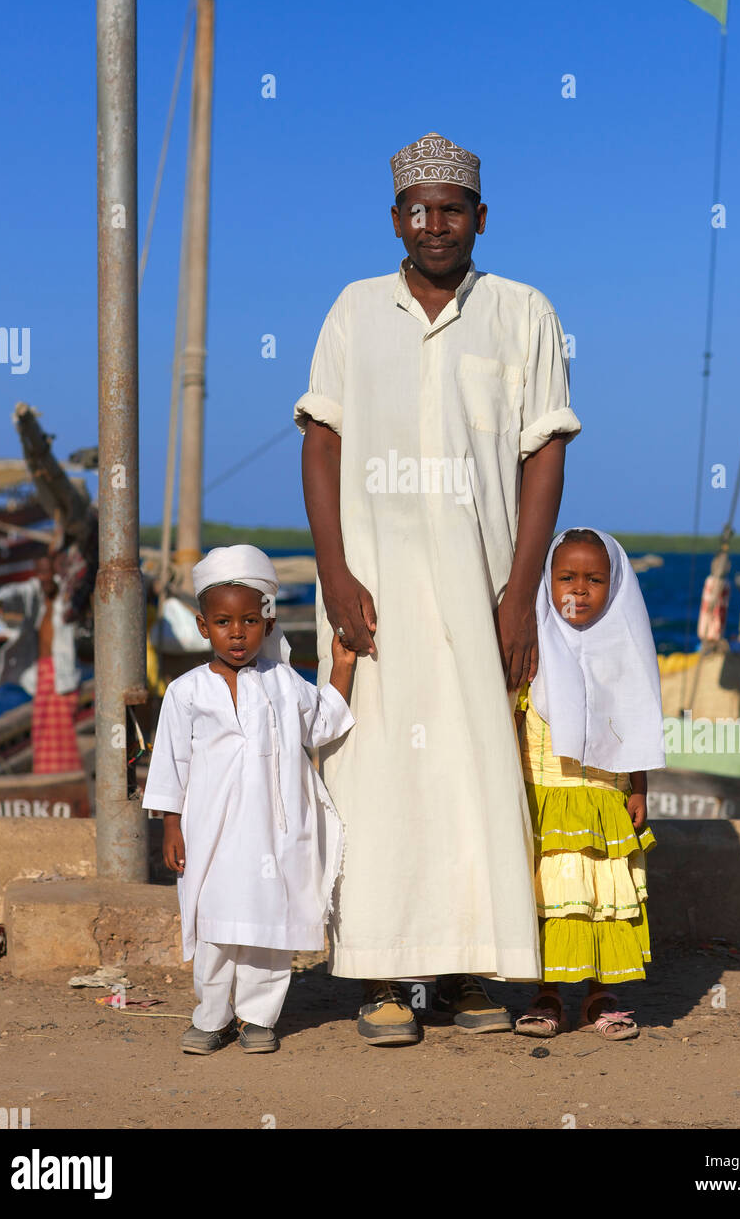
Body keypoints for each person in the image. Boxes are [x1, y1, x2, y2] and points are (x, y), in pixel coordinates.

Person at [294, 131, 581, 1044]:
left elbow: (545, 451)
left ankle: (464, 974)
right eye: (418, 209)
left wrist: (518, 590)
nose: (435, 224)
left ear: (480, 218)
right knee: (372, 776)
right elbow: (321, 441)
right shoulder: (352, 309)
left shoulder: (522, 312)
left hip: (479, 589)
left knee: (471, 774)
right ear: (395, 220)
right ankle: (380, 979)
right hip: (370, 593)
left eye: (452, 208)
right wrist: (335, 574)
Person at [142, 545, 356, 1055]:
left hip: (273, 834)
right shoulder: (186, 692)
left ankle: (259, 1018)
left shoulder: (283, 683)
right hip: (210, 835)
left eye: (249, 621)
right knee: (215, 929)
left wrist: (343, 665)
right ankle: (212, 1017)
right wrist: (171, 825)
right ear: (202, 627)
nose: (237, 633)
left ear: (268, 623)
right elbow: (170, 763)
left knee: (267, 931)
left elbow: (321, 723)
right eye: (223, 622)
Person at [513, 528, 665, 1040]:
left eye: (594, 580)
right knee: (553, 899)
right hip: (546, 805)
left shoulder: (625, 652)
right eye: (566, 578)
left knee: (605, 899)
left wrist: (638, 787)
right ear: (546, 582)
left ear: (615, 586)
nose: (578, 590)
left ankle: (602, 995)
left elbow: (638, 726)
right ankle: (547, 995)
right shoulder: (532, 649)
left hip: (605, 806)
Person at [0, 550, 84, 776]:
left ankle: (67, 781)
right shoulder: (35, 593)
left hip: (63, 675)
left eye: (48, 572)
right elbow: (15, 592)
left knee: (64, 734)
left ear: (56, 572)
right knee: (41, 730)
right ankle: (44, 778)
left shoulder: (66, 595)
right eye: (40, 572)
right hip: (42, 672)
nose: (44, 577)